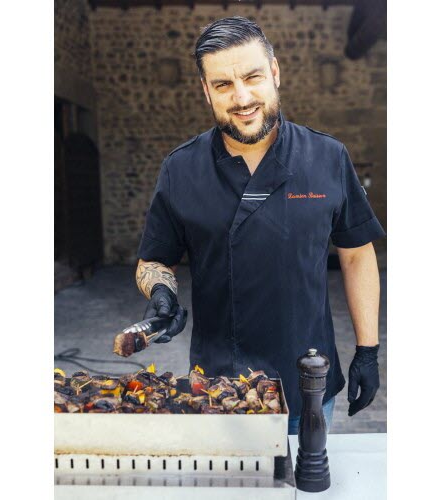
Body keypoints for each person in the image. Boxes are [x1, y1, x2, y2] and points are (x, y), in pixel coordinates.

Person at [134, 16, 384, 434]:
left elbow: (357, 254)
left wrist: (368, 350)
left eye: (252, 77)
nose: (242, 97)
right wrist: (160, 291)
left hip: (308, 381)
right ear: (206, 91)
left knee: (308, 490)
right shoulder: (181, 169)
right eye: (223, 85)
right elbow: (154, 259)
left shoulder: (327, 157)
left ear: (275, 72)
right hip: (215, 390)